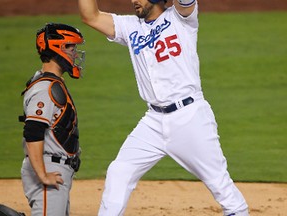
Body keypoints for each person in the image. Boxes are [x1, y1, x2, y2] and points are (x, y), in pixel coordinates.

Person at [78, 0, 249, 215]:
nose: (134, 1)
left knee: (220, 184)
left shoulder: (181, 18)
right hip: (153, 122)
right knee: (119, 171)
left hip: (190, 117)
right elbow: (90, 16)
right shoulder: (130, 26)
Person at [19, 23, 85, 216]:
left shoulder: (51, 83)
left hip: (54, 166)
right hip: (47, 167)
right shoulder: (45, 88)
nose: (75, 53)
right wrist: (42, 174)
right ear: (58, 48)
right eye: (71, 47)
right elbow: (33, 131)